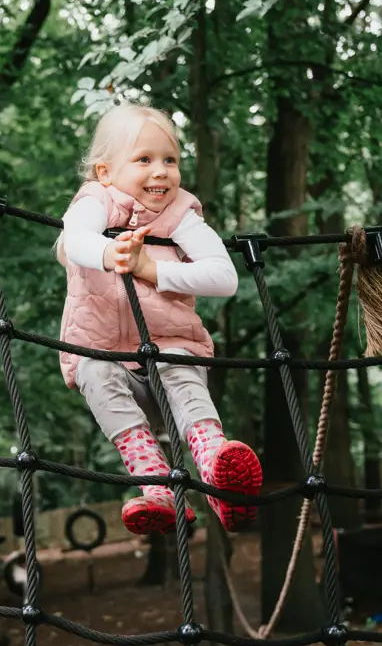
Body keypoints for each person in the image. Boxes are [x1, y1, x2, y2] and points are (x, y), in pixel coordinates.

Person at [57, 103, 262, 536]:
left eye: (170, 160)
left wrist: (152, 270)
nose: (161, 172)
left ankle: (215, 471)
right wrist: (109, 253)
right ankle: (158, 487)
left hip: (171, 350)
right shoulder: (95, 200)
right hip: (110, 359)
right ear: (106, 172)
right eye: (144, 159)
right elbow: (74, 239)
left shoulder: (180, 214)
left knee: (176, 363)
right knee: (91, 369)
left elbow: (224, 278)